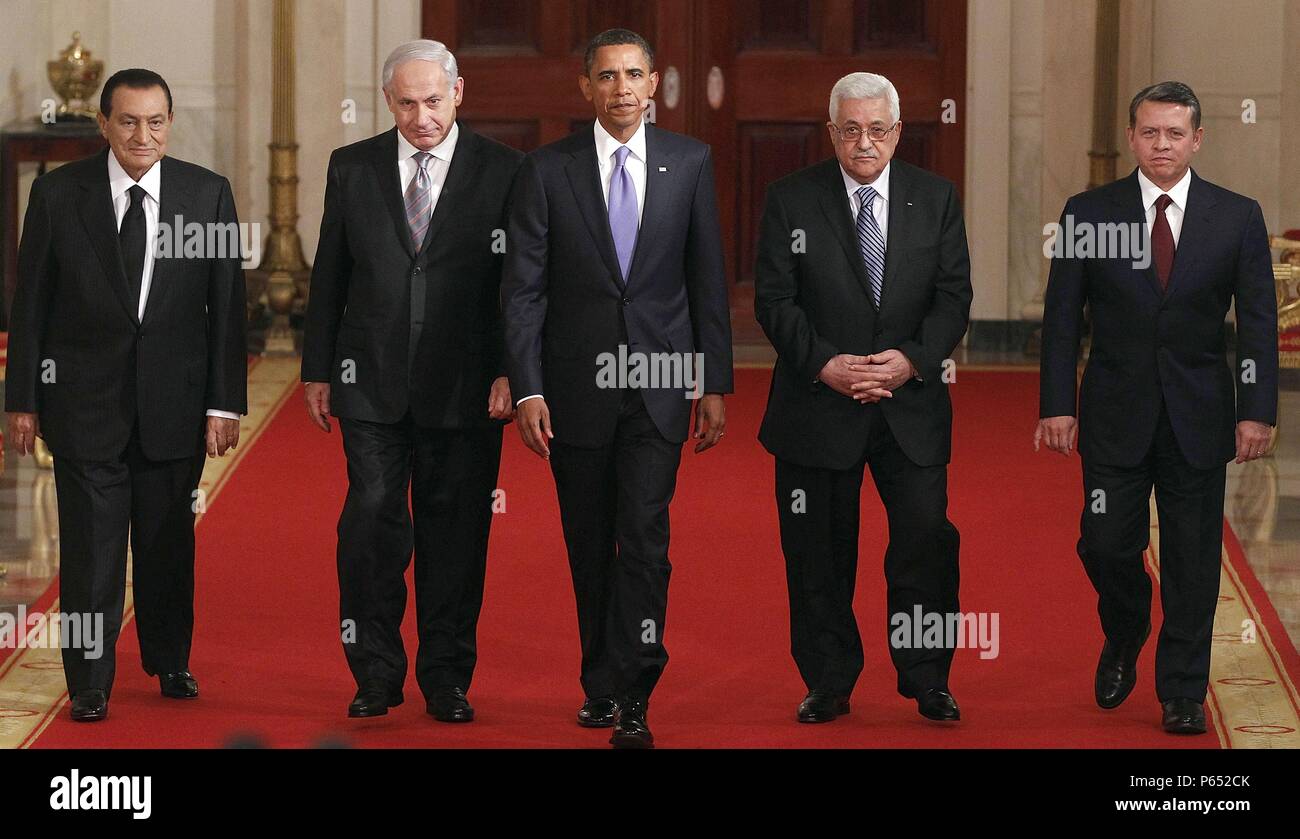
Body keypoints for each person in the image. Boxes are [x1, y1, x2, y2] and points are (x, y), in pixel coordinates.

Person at [502, 28, 733, 749]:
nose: (622, 89)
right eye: (608, 76)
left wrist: (714, 381)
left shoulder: (690, 162)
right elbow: (524, 291)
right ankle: (599, 681)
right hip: (574, 390)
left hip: (661, 386)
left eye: (635, 74)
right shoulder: (545, 170)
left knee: (644, 538)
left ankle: (635, 688)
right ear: (586, 87)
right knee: (588, 540)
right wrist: (528, 386)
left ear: (656, 82)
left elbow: (707, 281)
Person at [4, 68, 248, 722]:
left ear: (170, 123)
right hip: (83, 407)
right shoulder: (58, 195)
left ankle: (170, 660)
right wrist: (21, 398)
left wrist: (224, 404)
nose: (144, 134)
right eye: (130, 121)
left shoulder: (206, 195)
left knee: (168, 546)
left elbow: (227, 309)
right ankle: (88, 680)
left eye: (157, 121)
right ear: (104, 124)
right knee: (90, 554)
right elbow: (30, 306)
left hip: (175, 406)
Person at [1036, 81, 1277, 735]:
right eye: (1150, 132)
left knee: (1194, 559)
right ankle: (1126, 622)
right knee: (1105, 541)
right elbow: (1062, 321)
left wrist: (1257, 408)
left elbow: (1256, 322)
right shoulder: (1089, 214)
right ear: (1131, 136)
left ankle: (1181, 691)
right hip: (1113, 412)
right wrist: (1057, 403)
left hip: (1199, 414)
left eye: (1175, 133)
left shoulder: (1236, 216)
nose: (1162, 144)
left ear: (1197, 139)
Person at [301, 40, 522, 722]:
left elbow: (522, 283)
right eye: (406, 103)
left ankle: (447, 676)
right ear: (388, 100)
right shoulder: (353, 166)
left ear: (459, 92)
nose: (421, 116)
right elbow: (329, 274)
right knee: (370, 519)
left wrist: (517, 369)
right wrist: (317, 368)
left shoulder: (508, 171)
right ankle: (374, 671)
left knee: (456, 533)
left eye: (432, 100)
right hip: (369, 379)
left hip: (468, 385)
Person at [754, 72, 972, 725]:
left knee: (925, 542)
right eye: (850, 129)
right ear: (832, 132)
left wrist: (911, 361)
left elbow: (954, 296)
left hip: (911, 405)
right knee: (817, 551)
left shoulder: (936, 198)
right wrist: (825, 364)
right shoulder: (791, 199)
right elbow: (774, 298)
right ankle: (828, 679)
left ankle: (927, 676)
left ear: (897, 131)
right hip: (818, 405)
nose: (864, 142)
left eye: (877, 129)